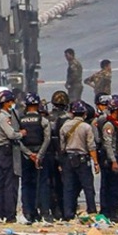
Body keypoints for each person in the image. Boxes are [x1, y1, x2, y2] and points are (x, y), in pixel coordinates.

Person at [0, 90, 26, 223]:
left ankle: (0, 213)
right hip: (6, 151)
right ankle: (9, 214)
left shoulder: (1, 116)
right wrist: (21, 133)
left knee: (1, 184)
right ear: (7, 103)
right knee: (10, 184)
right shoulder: (3, 118)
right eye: (10, 102)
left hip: (2, 153)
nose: (12, 104)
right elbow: (11, 135)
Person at [59, 101, 100, 221]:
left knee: (68, 187)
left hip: (68, 158)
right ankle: (92, 211)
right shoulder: (86, 127)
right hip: (83, 159)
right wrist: (96, 162)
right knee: (88, 187)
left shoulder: (65, 126)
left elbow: (62, 146)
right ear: (84, 114)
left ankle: (68, 213)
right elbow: (91, 146)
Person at [19, 93, 52, 223]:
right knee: (43, 184)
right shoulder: (43, 120)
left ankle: (28, 212)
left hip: (26, 156)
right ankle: (44, 213)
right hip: (40, 155)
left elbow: (17, 139)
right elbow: (47, 138)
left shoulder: (20, 120)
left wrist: (28, 154)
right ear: (38, 105)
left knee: (26, 184)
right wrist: (39, 155)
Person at [48, 91, 71, 219]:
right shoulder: (67, 118)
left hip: (50, 153)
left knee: (51, 183)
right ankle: (65, 209)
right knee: (66, 183)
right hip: (63, 154)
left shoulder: (47, 117)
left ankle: (54, 208)